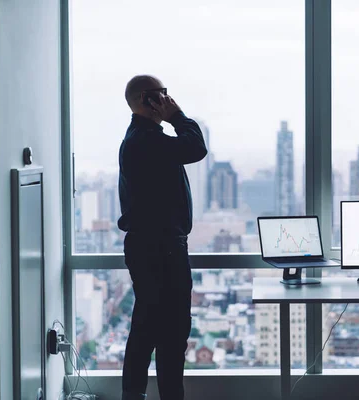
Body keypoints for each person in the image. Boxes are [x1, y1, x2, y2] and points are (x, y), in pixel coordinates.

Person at [118, 75, 207, 400]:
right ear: (146, 99)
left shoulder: (143, 138)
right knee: (169, 331)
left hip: (153, 247)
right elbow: (195, 147)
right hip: (161, 250)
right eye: (163, 95)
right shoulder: (145, 139)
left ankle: (135, 395)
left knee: (148, 327)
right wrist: (178, 116)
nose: (169, 100)